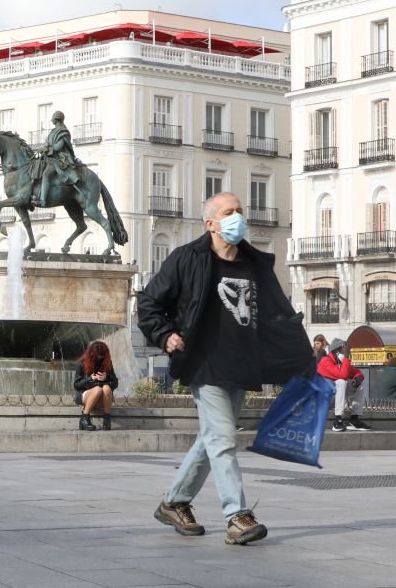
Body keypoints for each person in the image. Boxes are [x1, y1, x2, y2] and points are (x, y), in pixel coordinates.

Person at [137, 192, 312, 546]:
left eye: (239, 211)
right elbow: (149, 302)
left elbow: (279, 315)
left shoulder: (255, 263)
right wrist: (166, 335)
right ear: (211, 224)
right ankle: (237, 515)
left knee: (213, 438)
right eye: (229, 212)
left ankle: (174, 502)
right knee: (222, 438)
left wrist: (301, 360)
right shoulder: (187, 259)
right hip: (204, 363)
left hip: (243, 364)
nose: (238, 218)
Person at [317, 338, 370, 432]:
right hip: (323, 400)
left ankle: (354, 419)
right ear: (336, 351)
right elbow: (342, 375)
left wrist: (359, 378)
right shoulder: (325, 361)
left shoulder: (341, 363)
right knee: (341, 381)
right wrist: (346, 357)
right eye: (344, 350)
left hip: (334, 398)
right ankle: (338, 420)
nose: (347, 353)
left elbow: (357, 372)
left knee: (359, 384)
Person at [33, 110, 80, 208]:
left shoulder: (63, 131)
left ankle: (42, 201)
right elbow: (46, 143)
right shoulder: (52, 132)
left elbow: (58, 147)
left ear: (57, 118)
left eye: (53, 118)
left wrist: (47, 149)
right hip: (49, 158)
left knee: (46, 174)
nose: (51, 120)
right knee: (36, 168)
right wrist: (42, 148)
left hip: (59, 159)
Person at [73, 340, 118, 431]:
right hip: (85, 395)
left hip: (102, 398)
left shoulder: (107, 363)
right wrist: (89, 379)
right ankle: (85, 418)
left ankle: (106, 419)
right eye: (97, 356)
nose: (99, 358)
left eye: (101, 356)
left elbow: (115, 383)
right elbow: (76, 385)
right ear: (91, 354)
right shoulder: (82, 363)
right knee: (97, 389)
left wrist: (107, 378)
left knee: (106, 388)